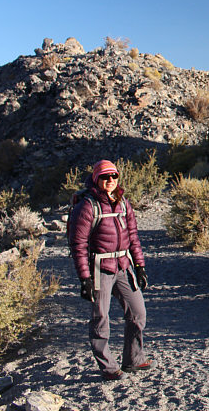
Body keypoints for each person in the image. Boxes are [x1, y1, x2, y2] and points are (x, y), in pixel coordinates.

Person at [69, 159, 150, 381]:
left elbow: (133, 236)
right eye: (105, 177)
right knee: (100, 318)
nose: (111, 181)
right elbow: (78, 245)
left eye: (114, 176)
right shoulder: (87, 206)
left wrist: (140, 265)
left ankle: (133, 359)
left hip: (124, 266)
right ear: (96, 178)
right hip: (99, 268)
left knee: (137, 312)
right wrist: (84, 278)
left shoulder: (123, 203)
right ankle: (108, 367)